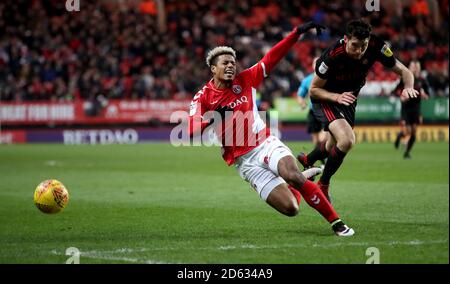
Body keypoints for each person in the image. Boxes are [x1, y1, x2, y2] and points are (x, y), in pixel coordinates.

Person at [187, 22, 354, 236]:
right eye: (225, 63)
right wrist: (213, 118)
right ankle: (299, 180)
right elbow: (190, 129)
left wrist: (296, 34)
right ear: (213, 68)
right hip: (244, 162)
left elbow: (273, 57)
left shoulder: (246, 79)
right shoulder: (203, 97)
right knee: (291, 208)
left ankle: (337, 223)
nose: (231, 66)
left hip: (265, 143)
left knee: (291, 173)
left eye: (233, 62)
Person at [297, 19, 418, 202]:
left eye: (364, 46)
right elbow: (314, 89)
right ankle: (323, 184)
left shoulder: (377, 46)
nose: (359, 51)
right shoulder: (331, 56)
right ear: (346, 39)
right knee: (346, 140)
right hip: (326, 98)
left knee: (332, 146)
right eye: (355, 45)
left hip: (348, 99)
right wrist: (336, 97)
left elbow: (404, 71)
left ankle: (308, 159)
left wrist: (408, 86)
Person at [394, 60, 430, 159]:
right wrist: (402, 96)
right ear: (409, 67)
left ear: (419, 68)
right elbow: (396, 90)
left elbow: (428, 95)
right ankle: (400, 135)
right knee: (407, 131)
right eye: (413, 67)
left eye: (416, 67)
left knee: (414, 132)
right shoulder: (405, 78)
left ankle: (407, 152)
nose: (415, 69)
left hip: (416, 109)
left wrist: (424, 95)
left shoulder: (423, 80)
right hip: (406, 108)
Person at [296, 57, 328, 166]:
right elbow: (300, 95)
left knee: (323, 136)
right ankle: (322, 159)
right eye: (315, 63)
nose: (317, 65)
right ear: (312, 66)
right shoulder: (307, 80)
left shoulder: (329, 77)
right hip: (313, 111)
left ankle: (317, 158)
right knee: (316, 140)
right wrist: (302, 103)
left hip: (326, 110)